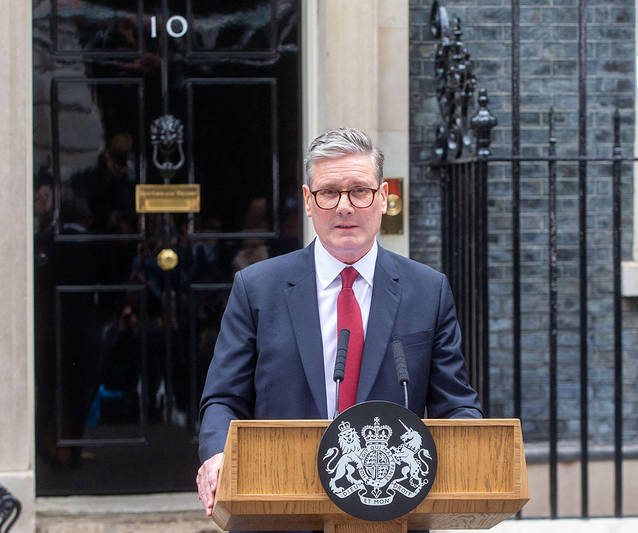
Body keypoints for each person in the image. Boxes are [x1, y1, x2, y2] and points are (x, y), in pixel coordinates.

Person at [196, 127, 482, 518]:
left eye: (359, 191)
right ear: (308, 202)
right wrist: (217, 454)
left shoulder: (428, 291)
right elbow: (224, 399)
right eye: (329, 192)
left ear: (383, 198)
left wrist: (474, 449)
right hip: (278, 509)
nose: (344, 206)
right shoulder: (257, 288)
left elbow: (456, 405)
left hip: (392, 512)